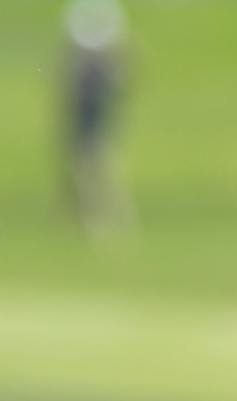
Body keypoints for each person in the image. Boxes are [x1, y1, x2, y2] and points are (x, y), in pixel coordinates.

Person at [61, 0, 130, 236]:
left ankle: (101, 219)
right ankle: (91, 217)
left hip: (94, 113)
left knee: (92, 164)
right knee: (90, 163)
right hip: (86, 112)